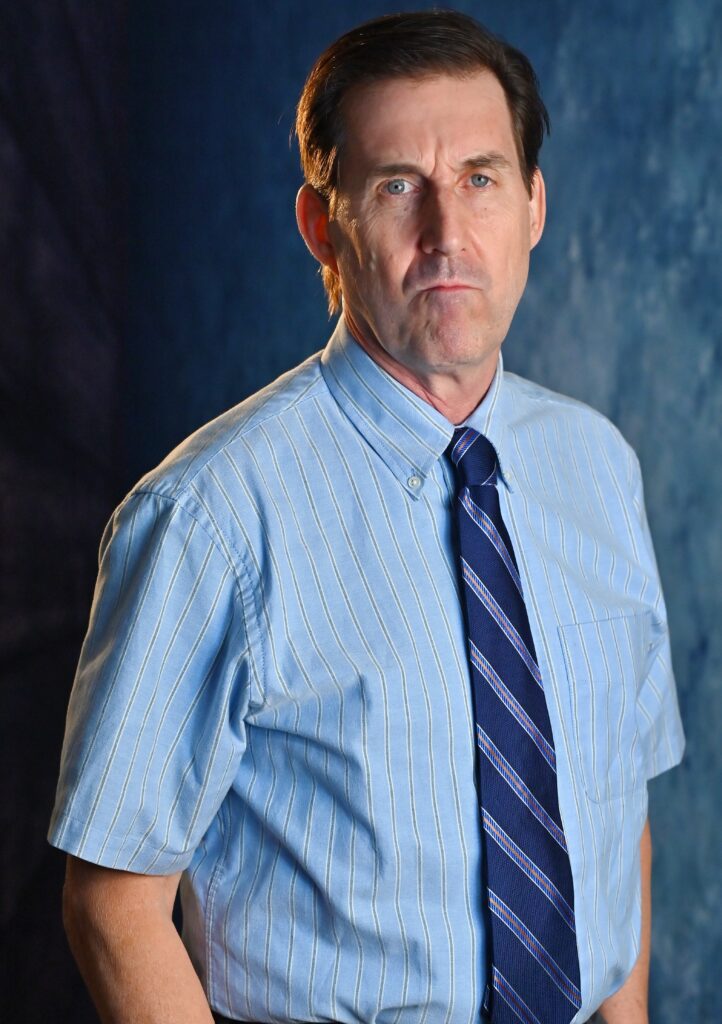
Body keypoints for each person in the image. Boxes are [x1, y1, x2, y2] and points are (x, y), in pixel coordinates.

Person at [49, 10, 685, 1024]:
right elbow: (113, 904)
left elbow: (618, 818)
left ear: (532, 205)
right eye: (397, 186)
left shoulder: (598, 467)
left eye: (479, 178)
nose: (446, 234)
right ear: (322, 227)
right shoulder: (208, 518)